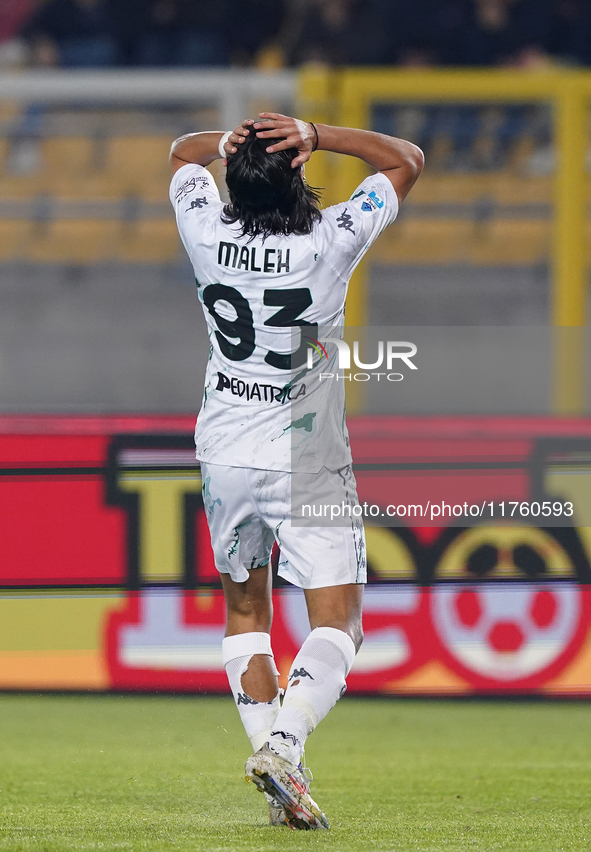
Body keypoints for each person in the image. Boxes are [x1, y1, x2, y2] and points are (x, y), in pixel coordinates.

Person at [169, 112, 423, 829]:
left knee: (246, 610)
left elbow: (179, 154)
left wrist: (232, 141)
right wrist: (315, 130)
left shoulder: (202, 229)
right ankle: (285, 741)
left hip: (224, 447)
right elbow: (406, 158)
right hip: (304, 451)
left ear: (233, 185)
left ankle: (285, 779)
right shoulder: (328, 241)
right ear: (299, 174)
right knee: (338, 620)